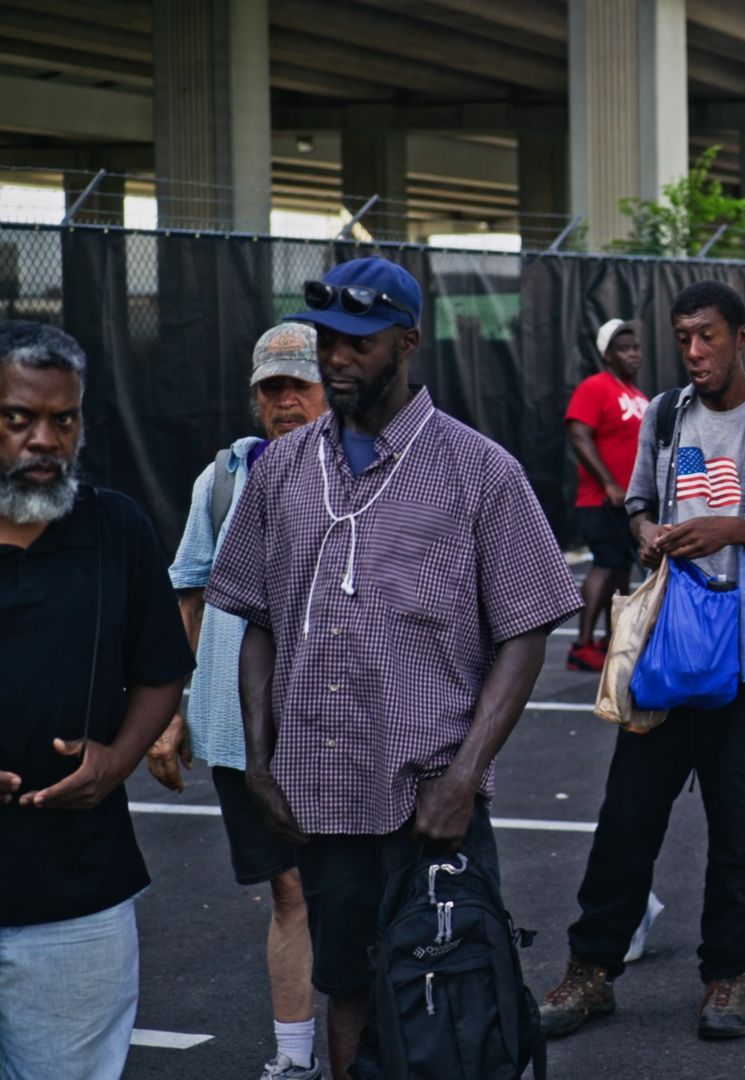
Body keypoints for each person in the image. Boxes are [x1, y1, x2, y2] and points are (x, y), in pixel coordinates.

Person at [205, 258, 581, 1070]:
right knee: (346, 985)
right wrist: (260, 759)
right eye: (329, 342)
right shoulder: (281, 473)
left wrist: (464, 775)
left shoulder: (480, 471)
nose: (337, 359)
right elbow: (257, 619)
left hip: (428, 798)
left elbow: (526, 629)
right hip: (321, 796)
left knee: (450, 991)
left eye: (359, 344)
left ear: (408, 343)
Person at [542, 282, 745, 1041]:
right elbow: (636, 502)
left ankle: (727, 978)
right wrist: (645, 531)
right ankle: (591, 972)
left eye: (708, 337)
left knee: (738, 828)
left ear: (741, 337)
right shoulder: (667, 414)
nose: (695, 352)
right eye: (684, 338)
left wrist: (729, 529)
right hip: (670, 648)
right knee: (627, 819)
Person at [0, 322, 194, 1080]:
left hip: (77, 903)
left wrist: (115, 761)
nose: (43, 439)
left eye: (64, 419)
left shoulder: (116, 529)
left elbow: (159, 670)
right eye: (18, 418)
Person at [150, 323, 328, 1079]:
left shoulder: (367, 474)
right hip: (239, 734)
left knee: (357, 889)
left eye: (300, 386)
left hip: (339, 730)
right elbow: (187, 594)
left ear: (333, 387)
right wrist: (171, 711)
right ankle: (294, 1058)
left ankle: (376, 1045)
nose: (286, 401)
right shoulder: (222, 479)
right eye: (271, 389)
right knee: (289, 893)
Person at [564, 318, 649, 671]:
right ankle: (582, 645)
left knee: (621, 569)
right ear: (607, 355)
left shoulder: (638, 396)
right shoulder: (595, 387)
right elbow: (579, 434)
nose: (632, 354)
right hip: (601, 500)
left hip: (631, 503)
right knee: (605, 564)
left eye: (635, 347)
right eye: (623, 348)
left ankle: (610, 639)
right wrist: (610, 484)